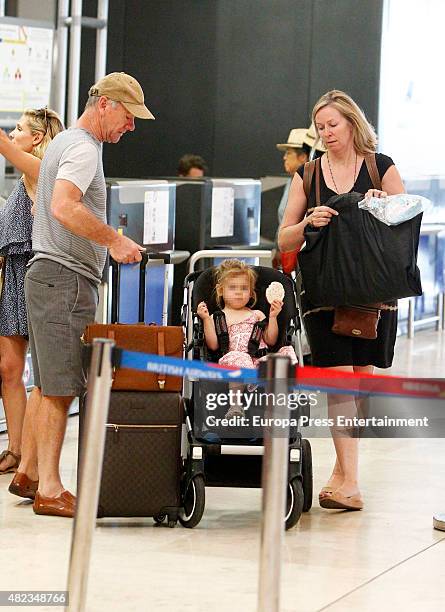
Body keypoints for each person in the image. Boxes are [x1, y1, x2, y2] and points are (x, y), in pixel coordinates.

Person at [8, 72, 154, 518]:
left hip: (51, 275)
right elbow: (64, 205)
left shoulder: (64, 143)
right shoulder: (83, 148)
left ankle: (30, 473)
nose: (130, 128)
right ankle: (50, 489)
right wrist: (114, 240)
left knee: (49, 382)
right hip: (64, 279)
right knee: (60, 386)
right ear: (106, 104)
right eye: (128, 118)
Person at [279, 90, 405, 511]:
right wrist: (308, 222)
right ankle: (351, 480)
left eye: (333, 125)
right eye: (320, 127)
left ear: (352, 123)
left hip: (372, 293)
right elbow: (283, 238)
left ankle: (343, 469)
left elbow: (408, 220)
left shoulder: (380, 167)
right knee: (338, 380)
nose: (326, 133)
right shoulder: (308, 175)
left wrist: (385, 207)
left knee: (359, 379)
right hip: (324, 290)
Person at [0, 108, 64, 475]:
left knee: (42, 372)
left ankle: (33, 459)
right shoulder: (19, 181)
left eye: (20, 129)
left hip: (40, 275)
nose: (13, 132)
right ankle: (15, 448)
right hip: (14, 277)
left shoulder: (43, 174)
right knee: (9, 367)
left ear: (37, 138)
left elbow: (5, 146)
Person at [197, 259, 296, 417]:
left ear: (251, 292)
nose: (238, 292)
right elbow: (213, 345)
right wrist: (206, 320)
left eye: (244, 288)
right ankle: (235, 406)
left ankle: (276, 405)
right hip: (234, 360)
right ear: (221, 290)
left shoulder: (257, 314)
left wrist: (272, 317)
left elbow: (270, 340)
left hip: (258, 359)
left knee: (284, 356)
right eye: (232, 288)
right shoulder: (219, 317)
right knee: (240, 360)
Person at [272, 126, 324, 269]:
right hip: (290, 250)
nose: (284, 157)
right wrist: (278, 248)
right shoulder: (292, 181)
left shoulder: (312, 182)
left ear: (302, 157)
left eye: (288, 153)